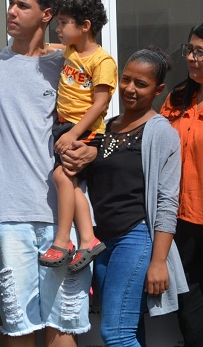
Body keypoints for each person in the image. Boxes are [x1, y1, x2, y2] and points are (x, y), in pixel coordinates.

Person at [0, 0, 92, 346]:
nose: (11, 11)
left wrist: (91, 150)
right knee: (19, 328)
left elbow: (95, 122)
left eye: (22, 5)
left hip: (64, 217)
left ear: (47, 14)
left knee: (62, 327)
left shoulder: (67, 67)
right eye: (10, 2)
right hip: (8, 216)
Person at [85, 47, 187, 345]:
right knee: (128, 329)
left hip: (136, 237)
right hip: (103, 242)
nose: (130, 88)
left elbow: (167, 202)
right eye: (126, 79)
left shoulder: (161, 132)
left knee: (116, 334)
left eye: (140, 84)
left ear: (158, 89)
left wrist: (158, 262)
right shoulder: (105, 126)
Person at [39, 0, 117, 272]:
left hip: (83, 129)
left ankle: (62, 240)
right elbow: (55, 49)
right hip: (66, 128)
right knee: (70, 184)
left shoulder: (102, 61)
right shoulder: (72, 51)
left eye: (62, 23)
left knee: (61, 175)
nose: (58, 29)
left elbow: (100, 104)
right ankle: (88, 238)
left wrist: (74, 134)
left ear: (85, 26)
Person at [160, 23, 203, 346]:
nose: (192, 58)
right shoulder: (176, 98)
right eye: (189, 49)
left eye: (200, 52)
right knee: (190, 303)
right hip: (183, 219)